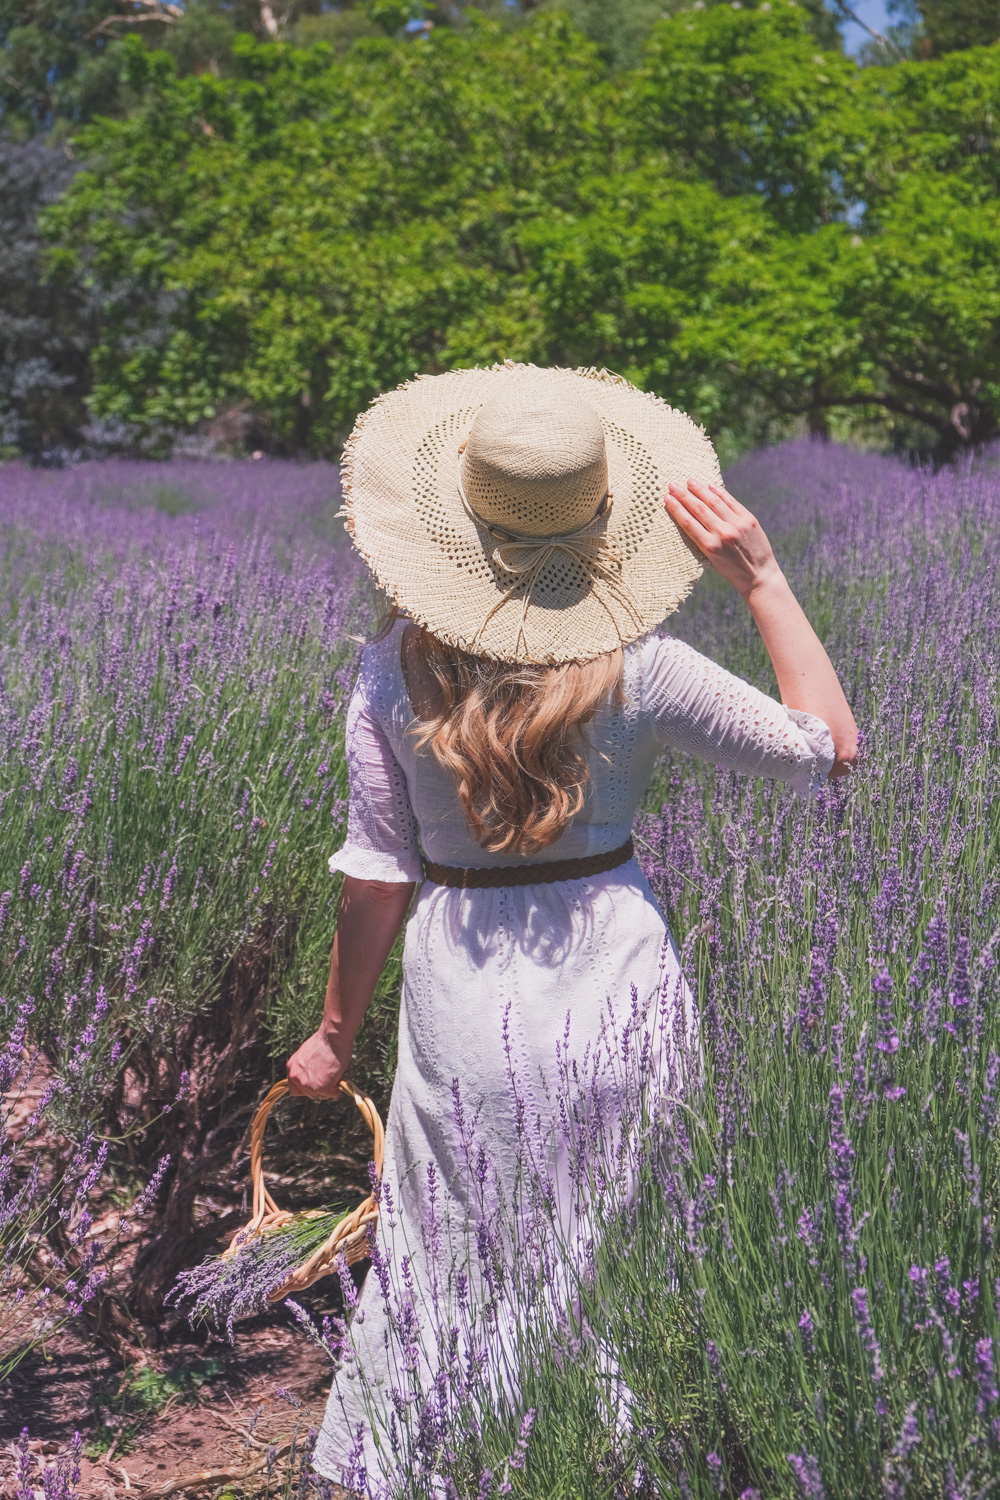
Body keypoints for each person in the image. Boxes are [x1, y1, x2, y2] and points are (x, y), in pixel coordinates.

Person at [287, 364, 858, 1492]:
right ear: (606, 525)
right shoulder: (644, 668)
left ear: (452, 528)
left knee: (451, 1238)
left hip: (460, 979)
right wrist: (763, 579)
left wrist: (333, 1033)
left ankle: (437, 1461)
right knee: (612, 1240)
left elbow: (373, 879)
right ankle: (599, 1461)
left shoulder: (388, 674)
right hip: (615, 975)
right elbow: (826, 753)